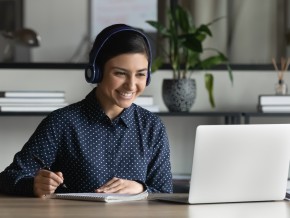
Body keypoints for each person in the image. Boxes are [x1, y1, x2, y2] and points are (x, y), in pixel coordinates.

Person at [0, 24, 173, 197]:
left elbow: (164, 193)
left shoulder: (152, 127)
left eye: (141, 74)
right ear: (96, 71)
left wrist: (140, 189)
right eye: (120, 73)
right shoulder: (62, 122)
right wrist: (34, 184)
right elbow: (9, 178)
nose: (131, 84)